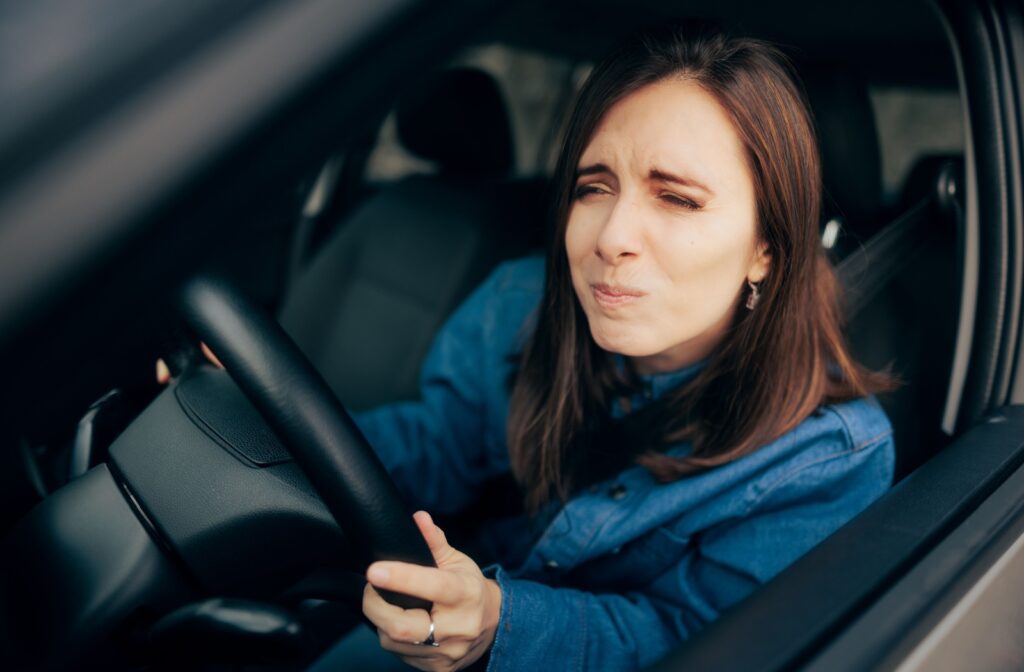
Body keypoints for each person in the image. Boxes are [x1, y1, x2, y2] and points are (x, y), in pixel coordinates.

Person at [305, 22, 896, 672]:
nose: (611, 236)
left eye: (676, 198)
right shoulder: (517, 303)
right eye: (594, 187)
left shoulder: (827, 457)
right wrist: (276, 424)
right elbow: (434, 448)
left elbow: (694, 638)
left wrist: (500, 623)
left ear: (766, 248)